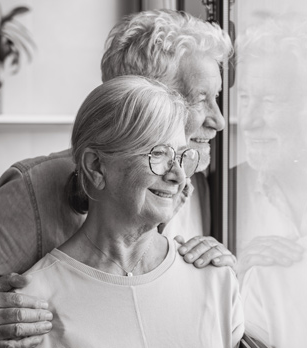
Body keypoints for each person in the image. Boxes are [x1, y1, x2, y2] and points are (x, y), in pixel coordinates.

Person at [0, 10, 236, 348]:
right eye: (200, 99)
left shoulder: (199, 183)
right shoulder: (36, 187)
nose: (218, 120)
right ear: (139, 98)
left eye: (217, 97)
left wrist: (214, 267)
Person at [17, 75, 244, 348]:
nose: (178, 176)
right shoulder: (32, 306)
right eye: (158, 154)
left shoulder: (216, 279)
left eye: (182, 156)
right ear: (97, 166)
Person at [234, 14, 307, 347]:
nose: (248, 121)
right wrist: (232, 275)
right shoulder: (220, 191)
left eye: (269, 101)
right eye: (245, 98)